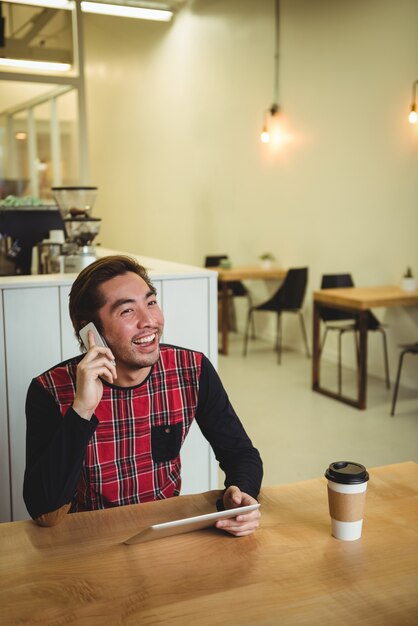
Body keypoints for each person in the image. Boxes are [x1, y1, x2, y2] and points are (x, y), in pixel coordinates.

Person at [23, 255, 263, 534]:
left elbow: (241, 454)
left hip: (164, 531)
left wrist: (241, 494)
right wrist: (82, 409)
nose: (149, 321)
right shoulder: (49, 390)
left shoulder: (191, 369)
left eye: (150, 302)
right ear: (91, 331)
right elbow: (44, 511)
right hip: (88, 540)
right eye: (127, 311)